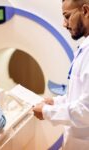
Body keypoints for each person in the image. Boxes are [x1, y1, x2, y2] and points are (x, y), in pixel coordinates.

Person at [33, 0, 89, 150]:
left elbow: (86, 111)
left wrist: (46, 112)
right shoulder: (84, 48)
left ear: (85, 11)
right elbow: (81, 96)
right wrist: (56, 102)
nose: (64, 24)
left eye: (67, 16)